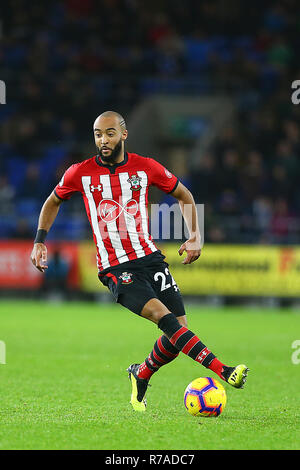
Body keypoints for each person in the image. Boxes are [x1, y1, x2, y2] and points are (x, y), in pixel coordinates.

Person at [30, 111, 248, 412]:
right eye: (97, 134)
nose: (103, 140)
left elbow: (184, 195)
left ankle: (141, 373)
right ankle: (224, 370)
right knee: (166, 320)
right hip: (115, 268)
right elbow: (52, 201)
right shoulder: (80, 173)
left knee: (177, 335)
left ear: (124, 134)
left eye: (109, 133)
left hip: (150, 259)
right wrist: (40, 239)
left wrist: (195, 235)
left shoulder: (146, 168)